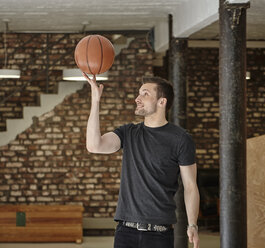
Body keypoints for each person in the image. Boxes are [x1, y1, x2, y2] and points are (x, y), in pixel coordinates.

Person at [84, 74, 200, 248]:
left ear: (162, 102)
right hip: (125, 231)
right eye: (138, 93)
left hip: (159, 235)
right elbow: (94, 146)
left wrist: (192, 224)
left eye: (145, 94)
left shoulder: (181, 139)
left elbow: (190, 186)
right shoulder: (129, 132)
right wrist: (95, 101)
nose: (137, 98)